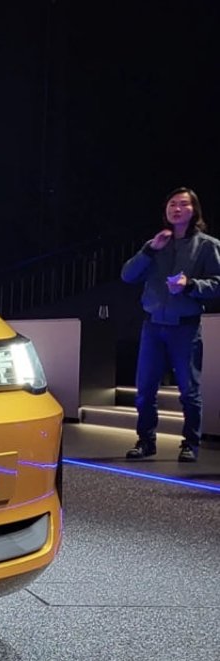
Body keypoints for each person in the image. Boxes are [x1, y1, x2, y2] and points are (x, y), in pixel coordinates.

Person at [120, 187, 220, 462]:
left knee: (189, 391)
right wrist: (149, 250)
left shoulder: (207, 245)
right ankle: (146, 441)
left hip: (185, 327)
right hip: (153, 326)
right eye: (172, 204)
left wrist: (191, 285)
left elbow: (218, 283)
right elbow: (127, 275)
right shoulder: (155, 245)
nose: (176, 208)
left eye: (183, 204)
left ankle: (191, 444)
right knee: (145, 390)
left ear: (194, 210)